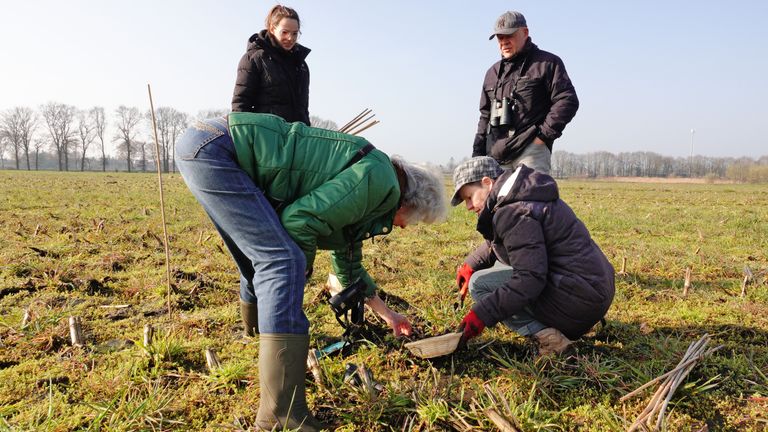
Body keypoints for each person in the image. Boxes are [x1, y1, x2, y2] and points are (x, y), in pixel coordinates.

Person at [175, 112, 448, 431]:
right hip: (220, 150)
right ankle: (282, 417)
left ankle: (255, 333)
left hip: (205, 142)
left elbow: (348, 262)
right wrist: (296, 277)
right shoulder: (378, 181)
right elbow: (298, 221)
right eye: (415, 221)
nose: (406, 227)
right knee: (282, 262)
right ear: (410, 203)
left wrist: (389, 315)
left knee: (259, 258)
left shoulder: (377, 185)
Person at [451, 157, 614, 356]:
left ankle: (551, 340)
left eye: (469, 197)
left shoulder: (512, 211)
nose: (468, 206)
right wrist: (471, 264)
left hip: (578, 302)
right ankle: (569, 321)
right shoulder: (522, 196)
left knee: (480, 284)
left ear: (487, 183)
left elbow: (530, 279)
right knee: (495, 271)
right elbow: (508, 241)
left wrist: (481, 315)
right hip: (592, 291)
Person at [472, 11, 579, 174]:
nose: (504, 42)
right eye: (500, 38)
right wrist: (477, 155)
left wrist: (542, 138)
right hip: (495, 157)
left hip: (530, 153)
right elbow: (485, 115)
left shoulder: (547, 63)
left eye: (509, 35)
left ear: (525, 32)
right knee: (496, 200)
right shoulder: (492, 73)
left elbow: (567, 100)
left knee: (530, 199)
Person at [231, 5, 311, 125]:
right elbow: (241, 105)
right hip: (264, 136)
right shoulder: (254, 59)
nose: (290, 38)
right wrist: (246, 140)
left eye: (295, 33)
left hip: (296, 138)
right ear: (272, 29)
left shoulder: (301, 66)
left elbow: (303, 109)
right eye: (285, 32)